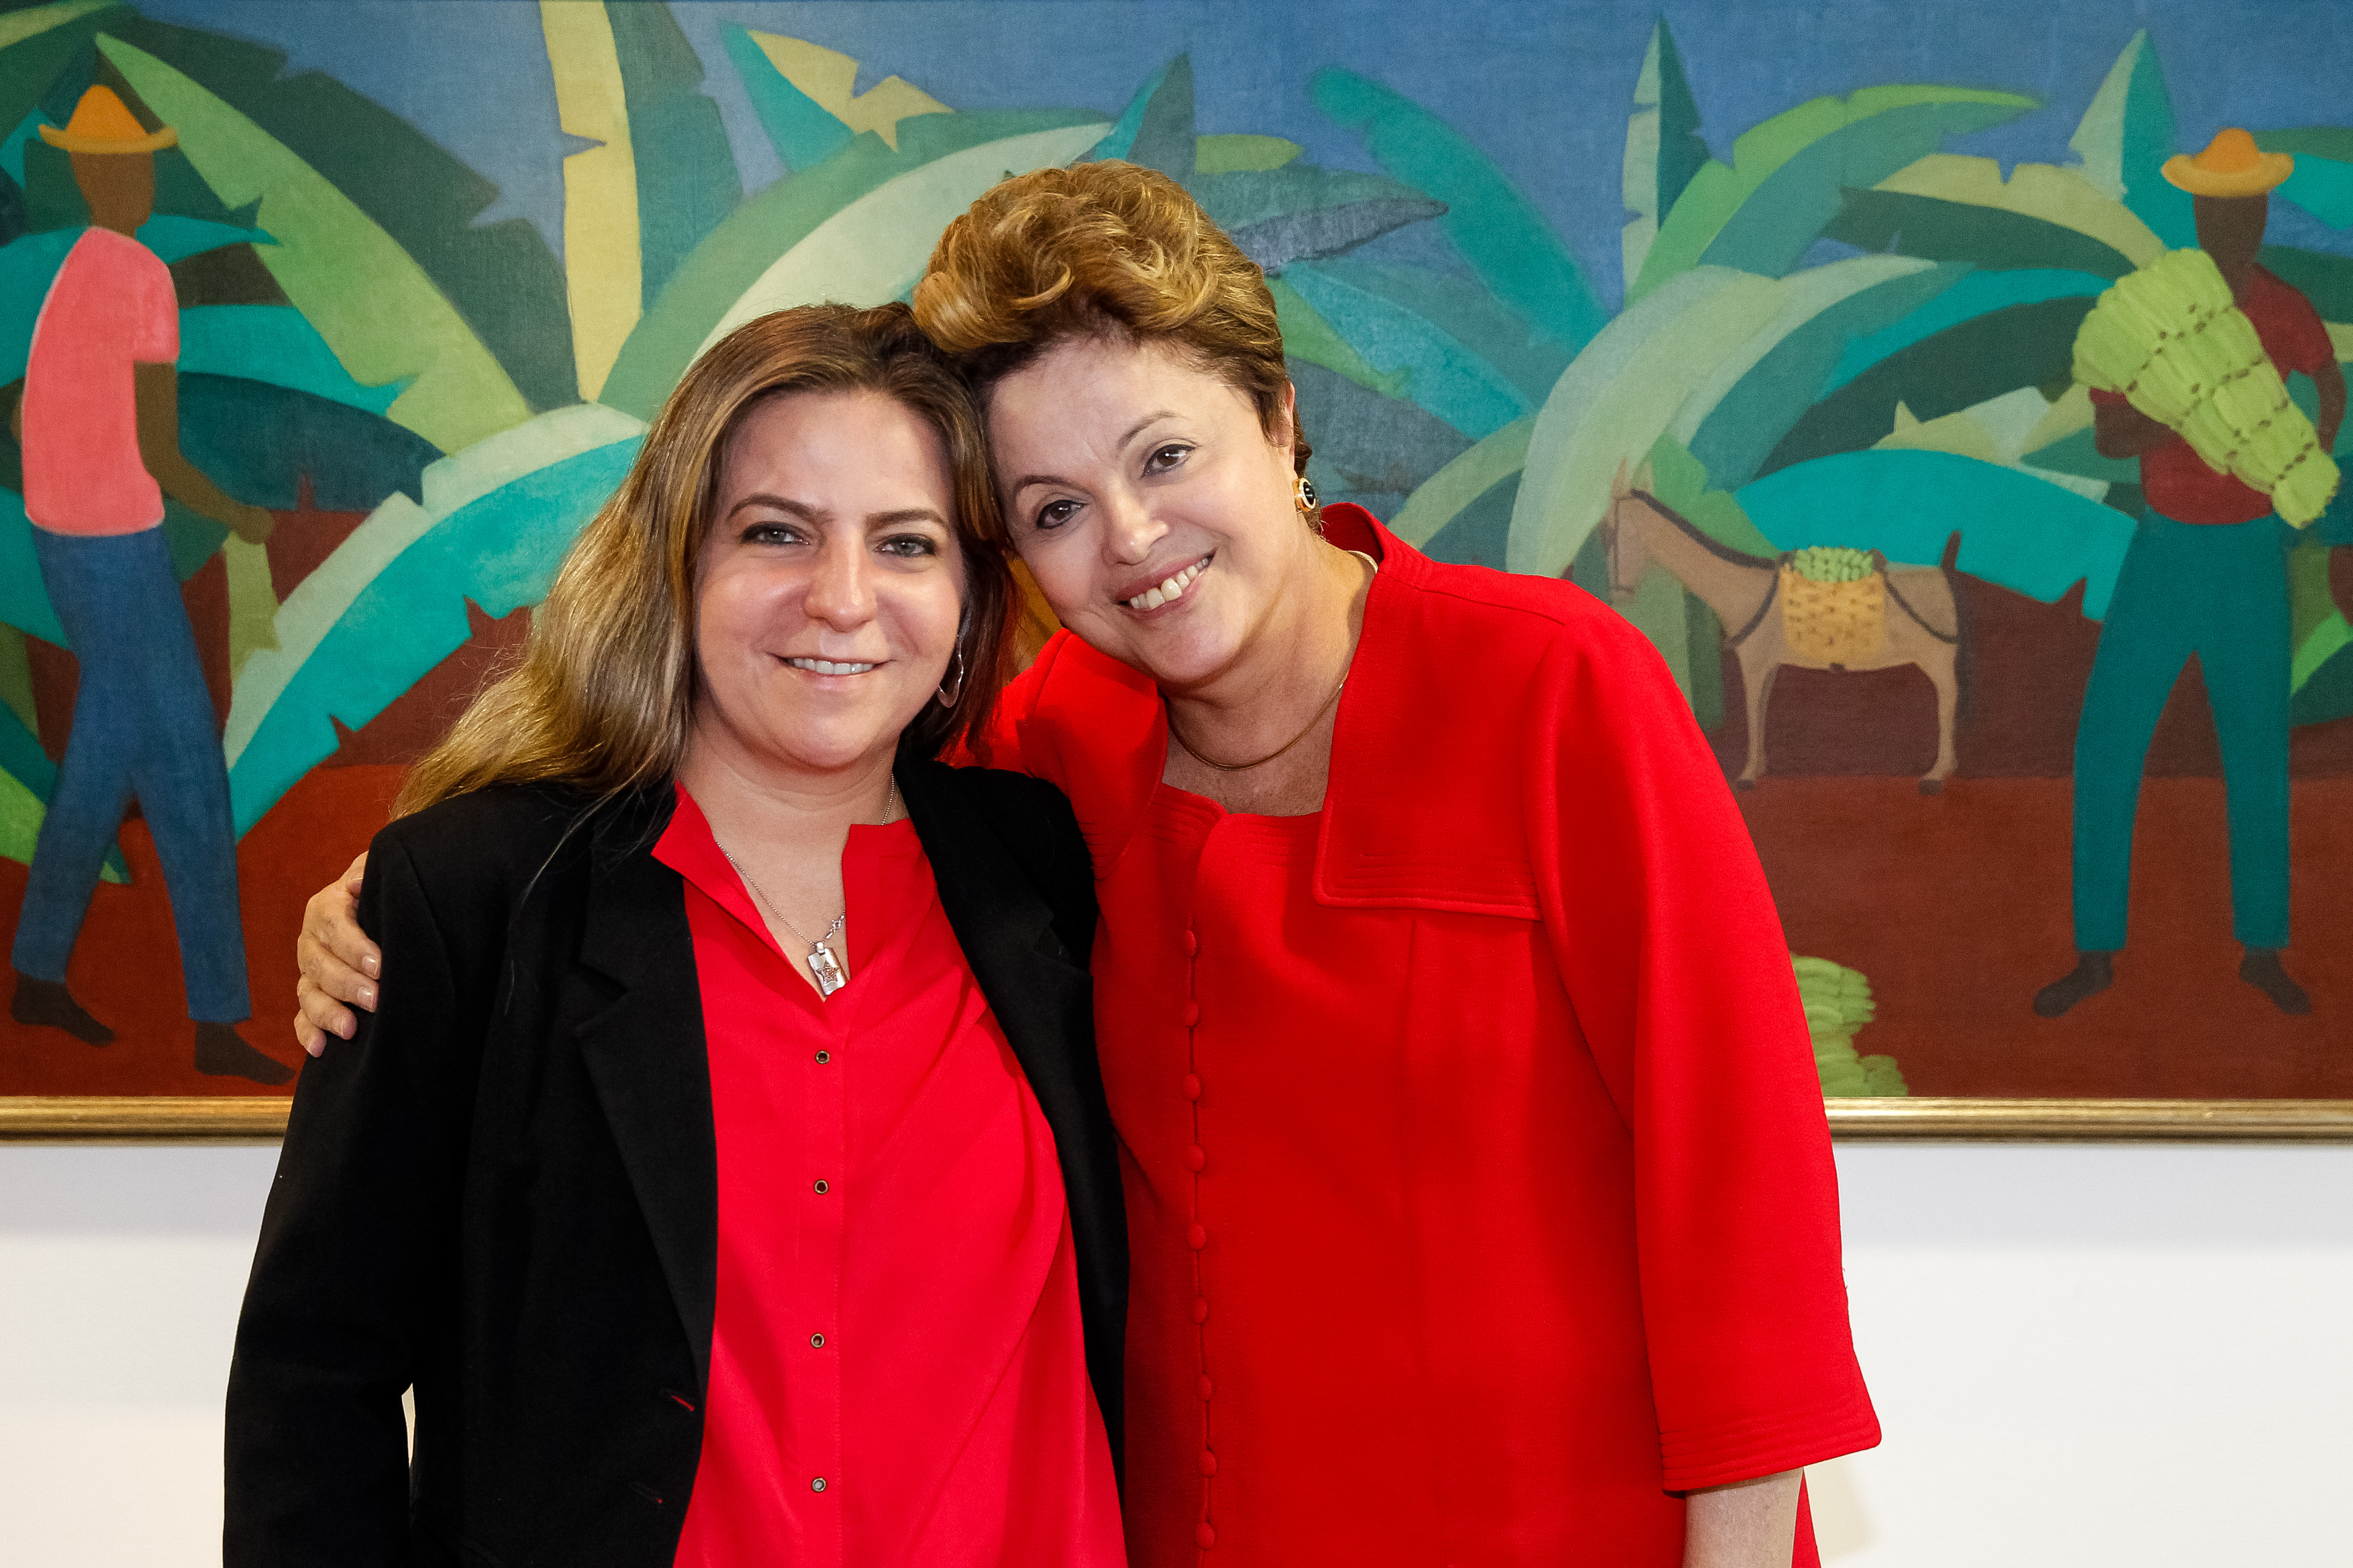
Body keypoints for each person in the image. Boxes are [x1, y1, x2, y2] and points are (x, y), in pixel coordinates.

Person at [300, 164, 1878, 1567]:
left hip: (1571, 1529)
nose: (1129, 538)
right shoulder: (1050, 749)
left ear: (1276, 422)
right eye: (1055, 507)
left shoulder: (1553, 689)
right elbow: (769, 766)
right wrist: (417, 878)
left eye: (1165, 454)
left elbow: (1742, 1208)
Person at [234, 305, 1128, 1567]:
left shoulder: (1054, 870)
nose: (842, 598)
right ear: (677, 562)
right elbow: (315, 1374)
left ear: (974, 599)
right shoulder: (478, 899)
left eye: (907, 542)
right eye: (777, 532)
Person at [2034, 128, 2346, 1020]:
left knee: (2255, 752)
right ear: (2200, 216)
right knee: (2107, 744)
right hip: (2164, 550)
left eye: (2243, 208)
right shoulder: (2150, 315)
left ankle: (2261, 949)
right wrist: (2189, 413)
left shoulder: (2283, 310)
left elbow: (2330, 385)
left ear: (2255, 215)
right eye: (2216, 209)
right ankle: (2095, 952)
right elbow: (2107, 436)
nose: (2230, 223)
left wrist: (2302, 467)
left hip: (2250, 553)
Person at [9, 85, 285, 1084]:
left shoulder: (75, 271)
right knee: (187, 777)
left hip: (67, 540)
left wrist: (67, 479)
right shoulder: (135, 275)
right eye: (116, 166)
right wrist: (243, 516)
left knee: (102, 756)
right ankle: (215, 1020)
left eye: (136, 164)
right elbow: (160, 449)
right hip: (115, 546)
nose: (130, 178)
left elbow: (25, 417)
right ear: (93, 175)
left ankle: (40, 969)